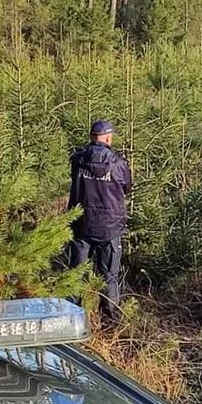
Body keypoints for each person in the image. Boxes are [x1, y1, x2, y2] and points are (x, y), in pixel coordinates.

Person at [67, 119, 132, 323]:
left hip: (81, 224)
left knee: (75, 273)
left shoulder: (78, 160)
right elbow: (127, 187)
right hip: (110, 228)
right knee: (109, 276)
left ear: (91, 137)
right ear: (108, 137)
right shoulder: (118, 164)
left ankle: (71, 318)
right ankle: (109, 321)